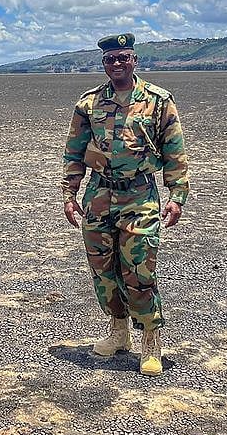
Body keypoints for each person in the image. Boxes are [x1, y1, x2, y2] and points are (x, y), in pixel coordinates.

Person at [61, 33, 190, 376]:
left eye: (122, 58)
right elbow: (74, 152)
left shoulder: (159, 101)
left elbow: (174, 152)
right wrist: (69, 195)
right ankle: (119, 334)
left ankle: (151, 340)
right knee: (103, 271)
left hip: (140, 197)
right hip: (99, 196)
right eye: (110, 59)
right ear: (103, 64)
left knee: (139, 271)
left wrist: (177, 196)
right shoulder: (88, 104)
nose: (116, 64)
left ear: (134, 60)